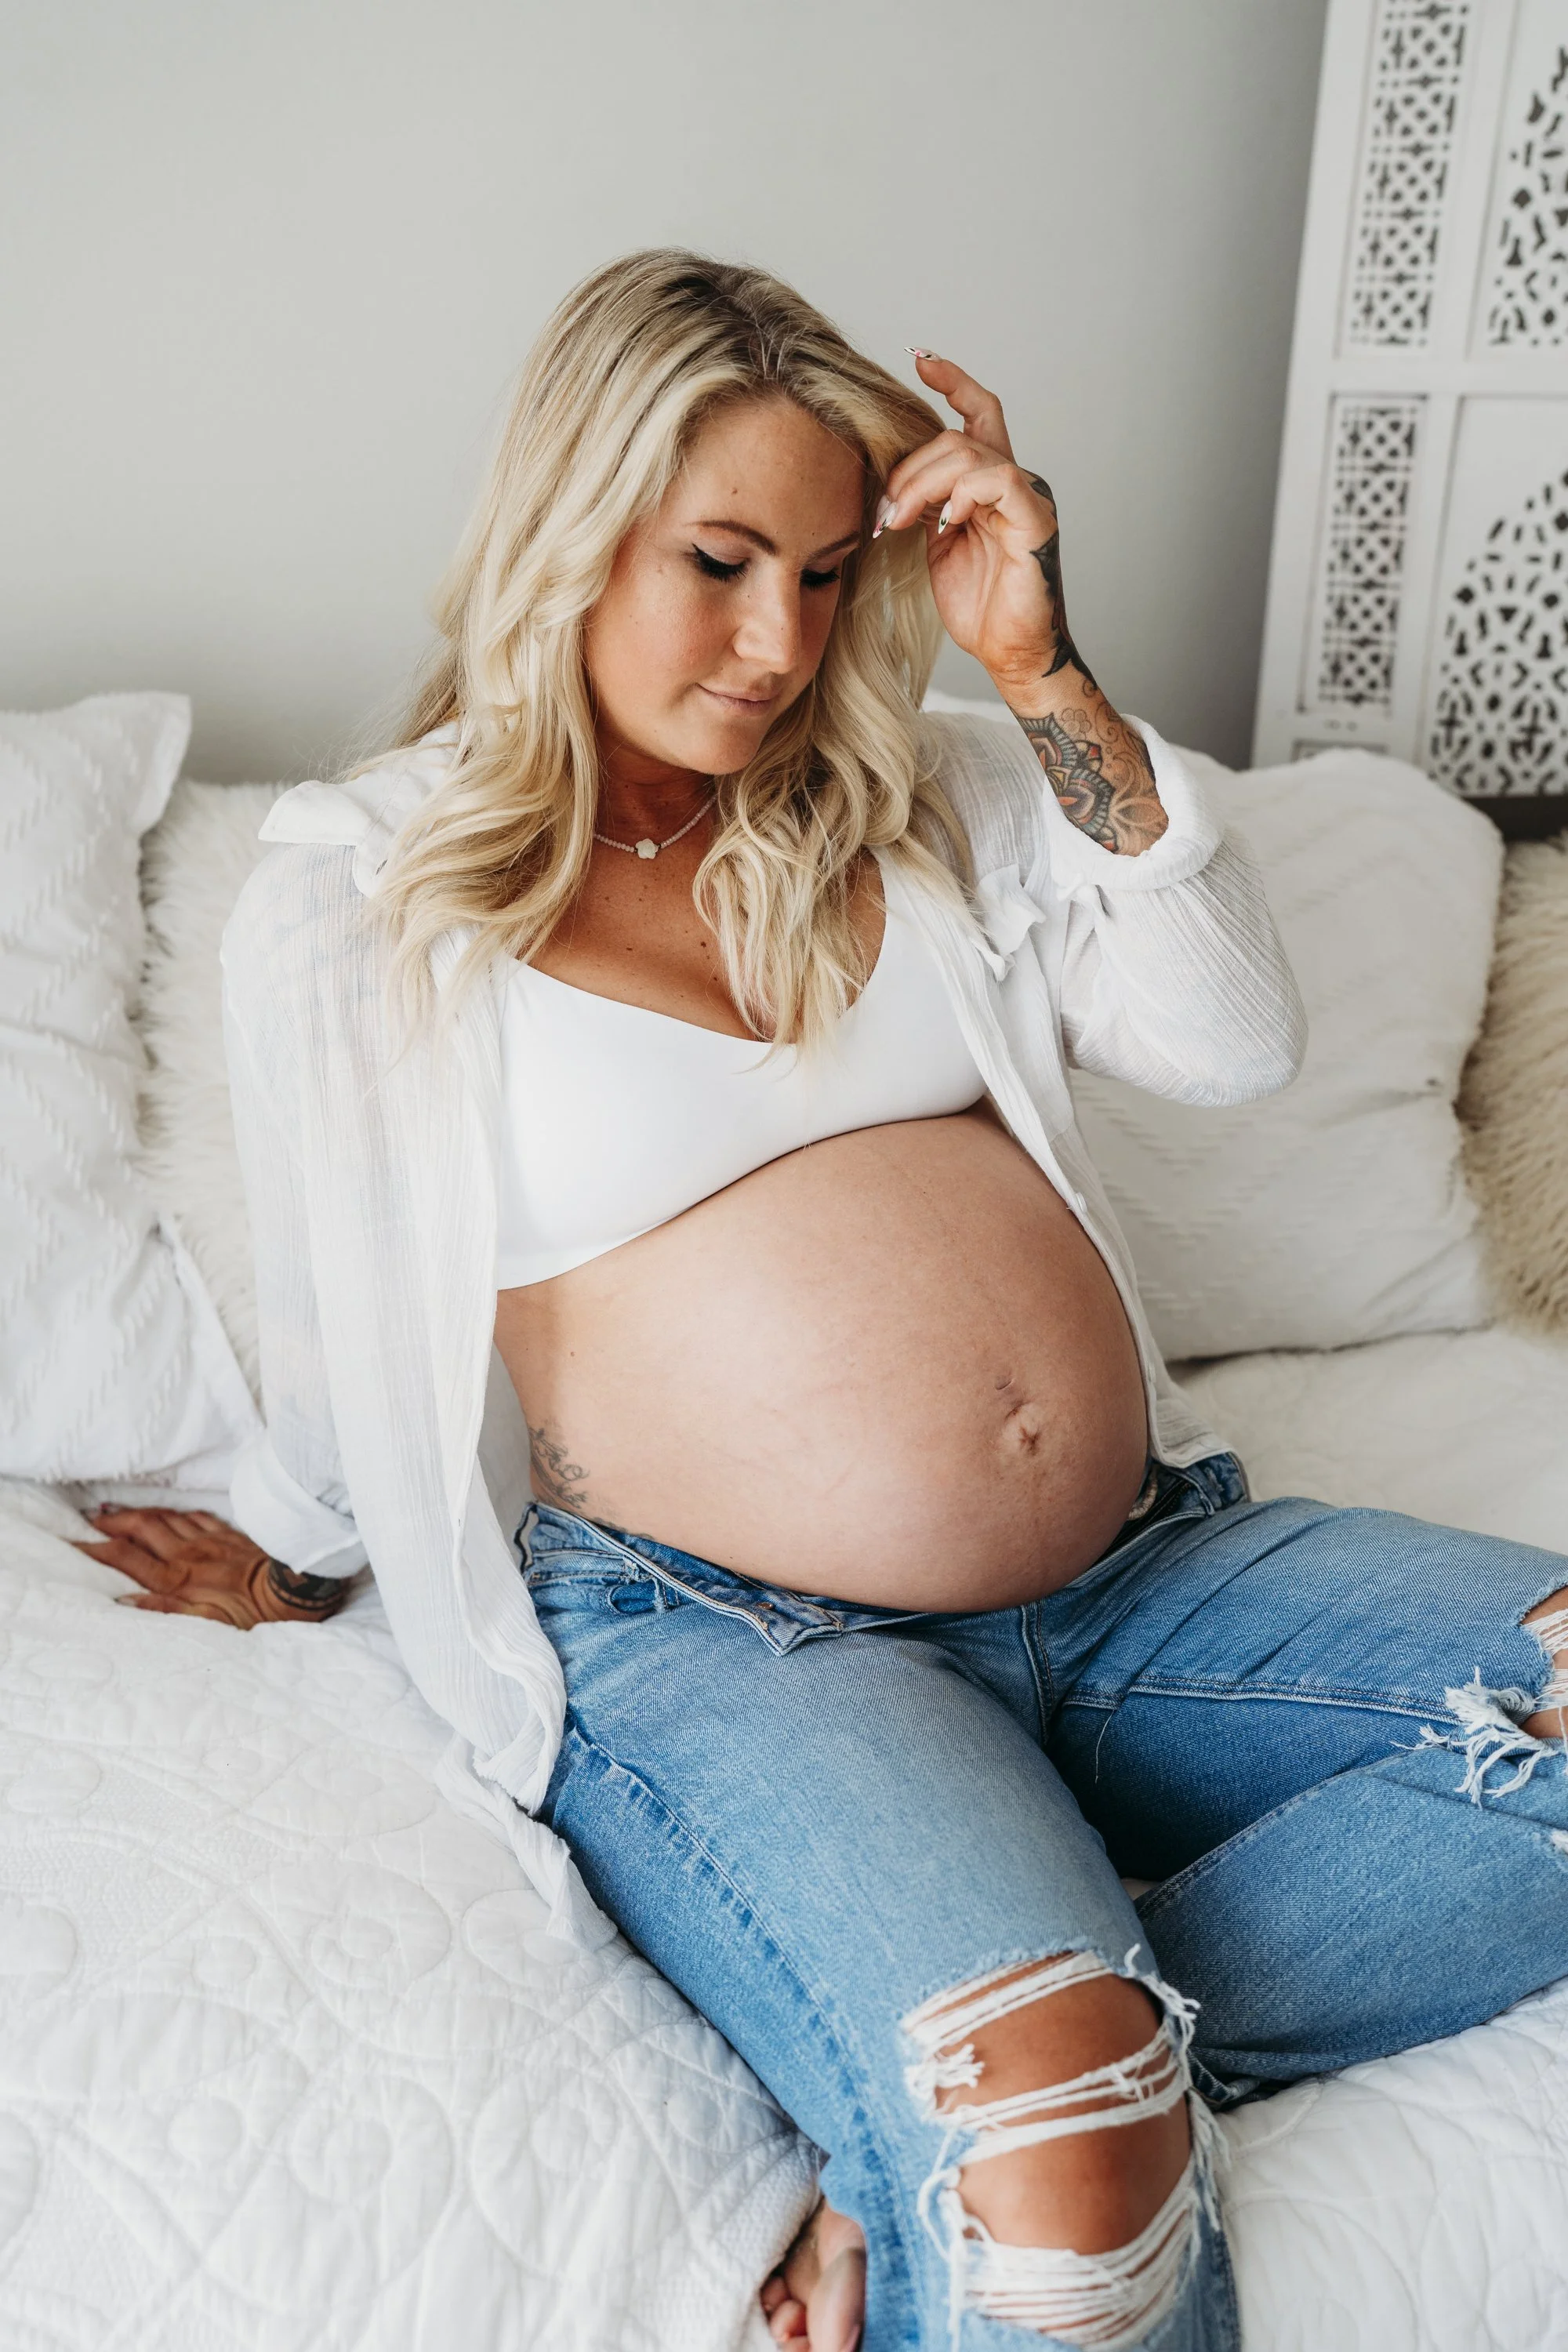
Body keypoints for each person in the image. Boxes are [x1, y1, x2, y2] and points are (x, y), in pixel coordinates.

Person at [78, 252, 1568, 2352]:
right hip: (732, 1643)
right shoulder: (369, 881)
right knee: (1071, 2204)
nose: (779, 642)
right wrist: (305, 1548)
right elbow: (353, 1320)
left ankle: (1018, 2024)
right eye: (716, 561)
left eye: (825, 570)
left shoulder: (938, 789)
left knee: (1077, 2056)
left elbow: (1230, 1038)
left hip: (1140, 1574)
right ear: (571, 526)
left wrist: (1046, 674)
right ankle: (1013, 2065)